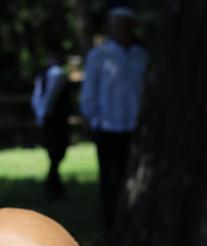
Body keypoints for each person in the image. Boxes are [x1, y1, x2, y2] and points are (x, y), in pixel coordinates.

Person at [80, 3, 148, 232]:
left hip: (135, 127)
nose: (121, 29)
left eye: (125, 25)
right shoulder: (99, 55)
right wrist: (92, 118)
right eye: (116, 25)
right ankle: (112, 224)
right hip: (108, 126)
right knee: (110, 180)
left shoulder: (142, 55)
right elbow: (90, 90)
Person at [31, 47, 71, 199]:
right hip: (55, 119)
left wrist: (40, 115)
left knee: (54, 151)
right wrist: (44, 114)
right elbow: (49, 97)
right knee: (57, 150)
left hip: (48, 118)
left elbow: (37, 97)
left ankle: (53, 182)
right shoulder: (58, 74)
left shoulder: (43, 74)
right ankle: (53, 183)